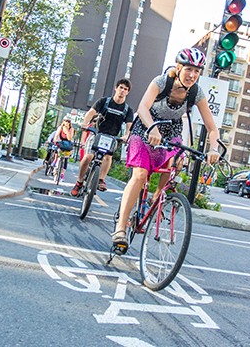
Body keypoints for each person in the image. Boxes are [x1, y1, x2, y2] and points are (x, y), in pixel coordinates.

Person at [112, 48, 221, 252]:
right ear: (178, 67)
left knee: (178, 160)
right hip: (145, 126)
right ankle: (120, 229)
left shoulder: (197, 92)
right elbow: (143, 107)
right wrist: (152, 127)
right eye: (189, 69)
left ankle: (158, 198)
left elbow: (212, 127)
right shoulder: (161, 82)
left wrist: (213, 148)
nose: (192, 75)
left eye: (197, 71)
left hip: (171, 130)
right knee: (140, 174)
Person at [71, 78, 134, 196]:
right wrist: (85, 123)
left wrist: (126, 136)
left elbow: (129, 126)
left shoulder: (127, 110)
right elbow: (91, 112)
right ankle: (79, 182)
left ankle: (101, 180)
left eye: (125, 89)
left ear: (128, 92)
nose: (122, 91)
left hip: (112, 137)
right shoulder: (104, 101)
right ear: (116, 88)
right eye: (121, 88)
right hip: (97, 133)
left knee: (107, 158)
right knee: (88, 157)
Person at [53, 116, 75, 181]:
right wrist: (55, 141)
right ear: (63, 121)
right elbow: (56, 135)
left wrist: (67, 131)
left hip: (68, 145)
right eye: (66, 121)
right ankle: (56, 168)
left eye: (68, 121)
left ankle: (62, 173)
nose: (67, 122)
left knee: (66, 159)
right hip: (61, 143)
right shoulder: (60, 127)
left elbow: (69, 138)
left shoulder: (71, 129)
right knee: (58, 154)